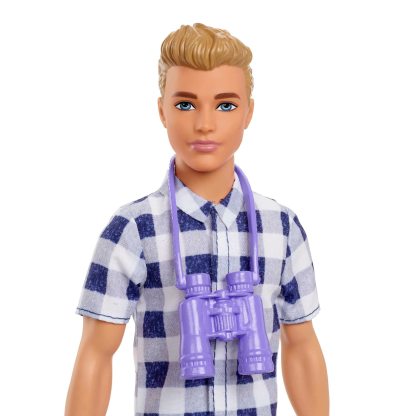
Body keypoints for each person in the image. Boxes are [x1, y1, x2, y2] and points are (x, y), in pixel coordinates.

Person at [65, 22, 329, 416]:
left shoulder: (281, 226)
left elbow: (303, 345)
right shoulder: (133, 229)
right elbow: (95, 354)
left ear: (249, 112)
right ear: (161, 111)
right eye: (185, 105)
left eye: (226, 105)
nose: (205, 124)